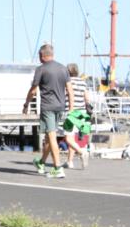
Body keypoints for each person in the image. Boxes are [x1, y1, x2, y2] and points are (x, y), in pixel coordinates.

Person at [23, 44, 74, 179]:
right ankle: (41, 163)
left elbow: (33, 90)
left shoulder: (41, 69)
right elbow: (70, 90)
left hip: (48, 108)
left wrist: (26, 104)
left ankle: (57, 168)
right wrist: (72, 109)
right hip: (60, 107)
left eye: (39, 56)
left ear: (43, 55)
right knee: (48, 138)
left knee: (51, 137)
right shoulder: (63, 69)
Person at [61, 64, 90, 169]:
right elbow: (87, 98)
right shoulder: (83, 82)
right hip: (82, 113)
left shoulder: (67, 82)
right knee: (73, 138)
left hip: (71, 112)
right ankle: (70, 161)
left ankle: (82, 152)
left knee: (68, 138)